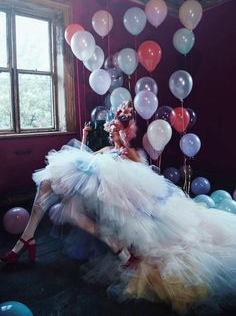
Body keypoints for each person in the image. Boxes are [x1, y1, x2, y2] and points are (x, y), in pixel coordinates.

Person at [1, 101, 236, 315]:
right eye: (111, 129)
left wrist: (124, 147)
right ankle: (28, 238)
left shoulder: (130, 153)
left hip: (118, 204)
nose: (111, 132)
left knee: (69, 204)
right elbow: (85, 159)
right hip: (98, 195)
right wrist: (84, 136)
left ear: (124, 132)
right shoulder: (105, 151)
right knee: (50, 182)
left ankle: (32, 240)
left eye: (115, 129)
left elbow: (142, 175)